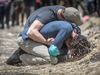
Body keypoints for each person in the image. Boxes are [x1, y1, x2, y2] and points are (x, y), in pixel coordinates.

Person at [6, 21, 90, 65]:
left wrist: (62, 49)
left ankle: (32, 53)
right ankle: (21, 57)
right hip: (26, 39)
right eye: (71, 48)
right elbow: (52, 51)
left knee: (64, 58)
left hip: (40, 43)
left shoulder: (73, 33)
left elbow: (60, 51)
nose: (70, 49)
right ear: (71, 41)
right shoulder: (66, 31)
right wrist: (56, 46)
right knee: (53, 60)